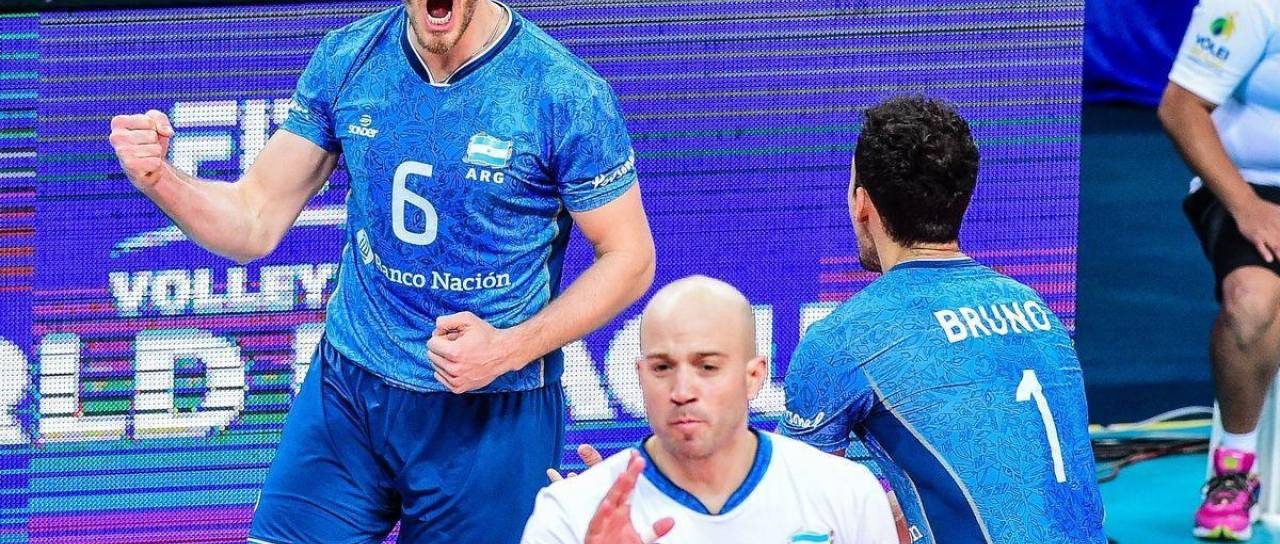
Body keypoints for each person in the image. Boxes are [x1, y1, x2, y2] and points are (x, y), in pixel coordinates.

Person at [107, 0, 655, 542]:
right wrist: (161, 179)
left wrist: (509, 348)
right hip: (349, 389)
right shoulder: (349, 58)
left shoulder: (565, 92)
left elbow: (630, 259)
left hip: (491, 411)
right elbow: (253, 220)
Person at [779, 95, 1106, 543]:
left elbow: (798, 517)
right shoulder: (1037, 311)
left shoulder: (844, 339)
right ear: (961, 198)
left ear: (862, 204)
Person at [522, 276, 897, 544]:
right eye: (662, 368)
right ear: (640, 376)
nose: (682, 391)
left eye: (707, 367)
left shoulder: (846, 493)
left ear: (754, 377)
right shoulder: (571, 512)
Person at [1158, 0, 1280, 539]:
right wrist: (1247, 207)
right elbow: (1180, 107)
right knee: (1252, 300)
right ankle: (1235, 469)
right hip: (1248, 185)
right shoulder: (1248, 6)